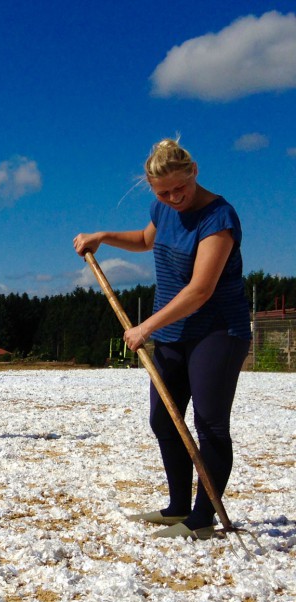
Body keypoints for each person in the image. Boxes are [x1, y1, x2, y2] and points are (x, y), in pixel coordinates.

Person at [73, 138, 251, 540]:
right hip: (174, 331)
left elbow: (200, 289)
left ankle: (203, 519)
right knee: (164, 418)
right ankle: (177, 508)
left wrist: (146, 326)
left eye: (179, 189)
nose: (173, 198)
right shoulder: (163, 208)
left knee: (209, 426)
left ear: (194, 172)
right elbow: (145, 240)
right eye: (163, 192)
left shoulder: (218, 217)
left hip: (218, 331)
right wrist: (104, 236)